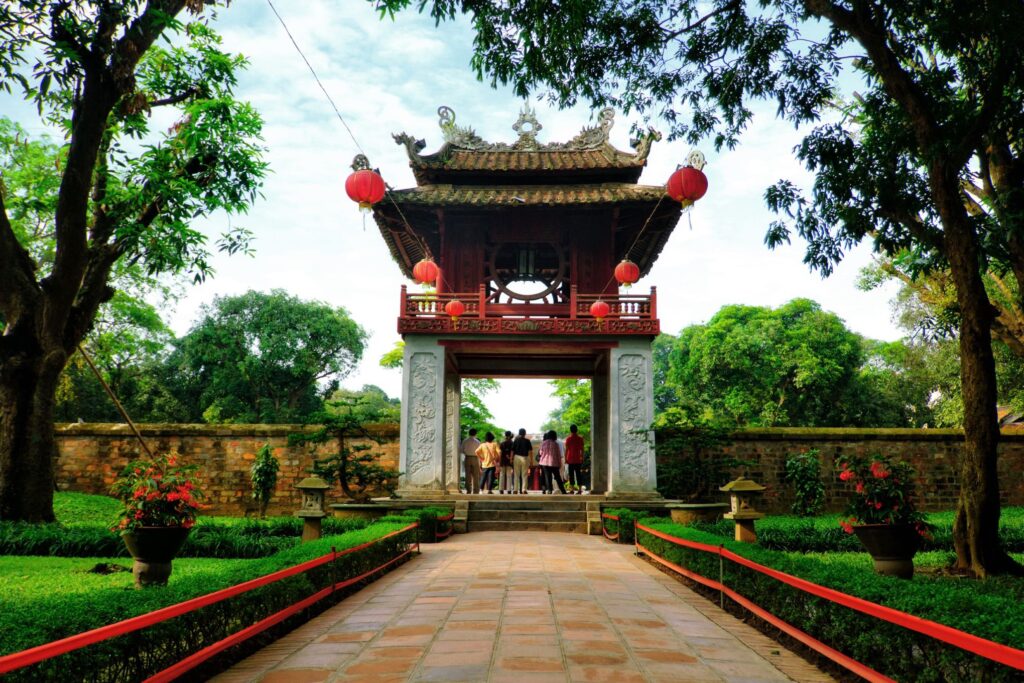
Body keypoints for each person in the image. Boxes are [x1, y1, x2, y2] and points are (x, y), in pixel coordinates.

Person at [538, 430, 567, 494]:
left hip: (544, 463)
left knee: (548, 477)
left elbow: (540, 453)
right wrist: (559, 464)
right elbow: (558, 455)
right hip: (554, 463)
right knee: (558, 477)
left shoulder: (543, 443)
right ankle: (563, 491)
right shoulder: (555, 444)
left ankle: (549, 490)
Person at [511, 428, 533, 494]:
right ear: (525, 433)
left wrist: (511, 459)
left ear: (519, 433)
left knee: (516, 474)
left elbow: (512, 450)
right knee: (524, 474)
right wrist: (531, 460)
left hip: (516, 457)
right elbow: (530, 451)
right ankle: (524, 490)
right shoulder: (527, 441)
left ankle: (515, 490)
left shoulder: (516, 440)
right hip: (525, 458)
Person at [564, 424, 585, 494]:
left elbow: (566, 450)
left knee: (571, 475)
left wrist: (565, 458)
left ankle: (572, 489)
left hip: (570, 459)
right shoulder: (580, 438)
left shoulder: (568, 439)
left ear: (570, 430)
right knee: (578, 474)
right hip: (578, 459)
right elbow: (582, 449)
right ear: (577, 430)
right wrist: (582, 457)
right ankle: (579, 489)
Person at [461, 428, 481, 494]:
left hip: (467, 458)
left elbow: (462, 450)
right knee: (476, 475)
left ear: (469, 433)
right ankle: (476, 491)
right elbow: (480, 452)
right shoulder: (478, 442)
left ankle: (468, 490)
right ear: (475, 433)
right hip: (475, 458)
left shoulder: (465, 441)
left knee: (468, 475)